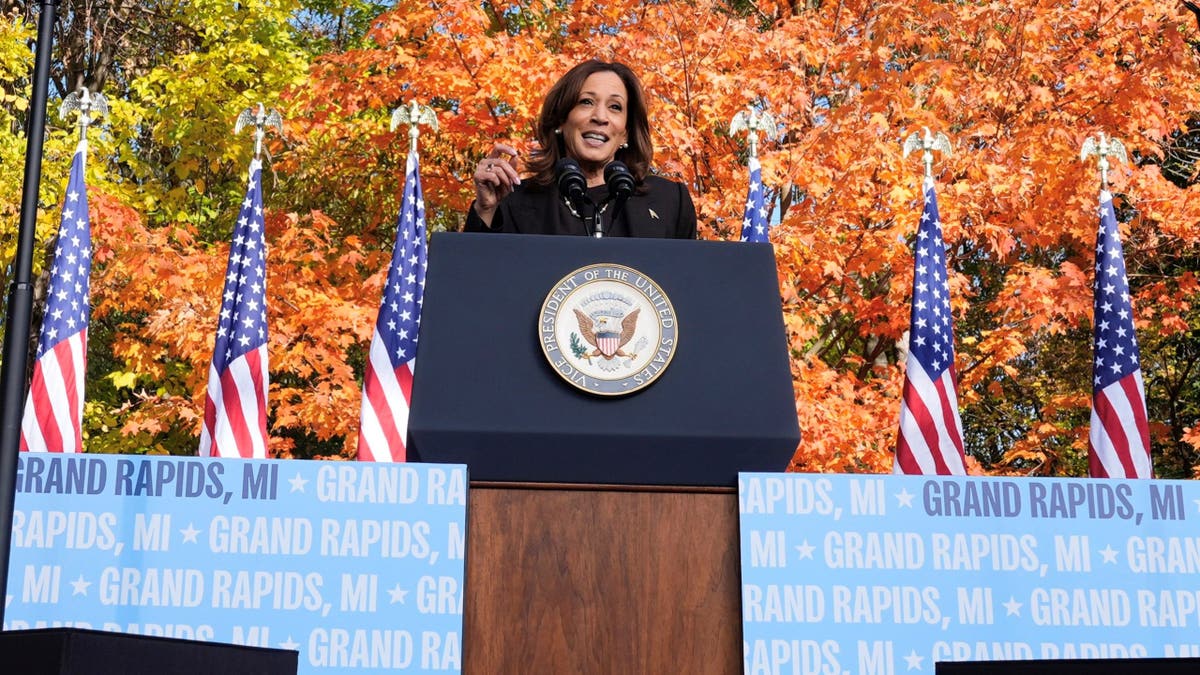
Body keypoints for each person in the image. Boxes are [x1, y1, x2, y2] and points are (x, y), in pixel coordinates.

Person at [465, 61, 697, 239]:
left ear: (625, 132)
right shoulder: (513, 202)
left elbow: (689, 288)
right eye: (586, 102)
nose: (600, 117)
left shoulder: (670, 202)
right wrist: (485, 210)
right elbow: (474, 284)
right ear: (560, 119)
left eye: (615, 107)